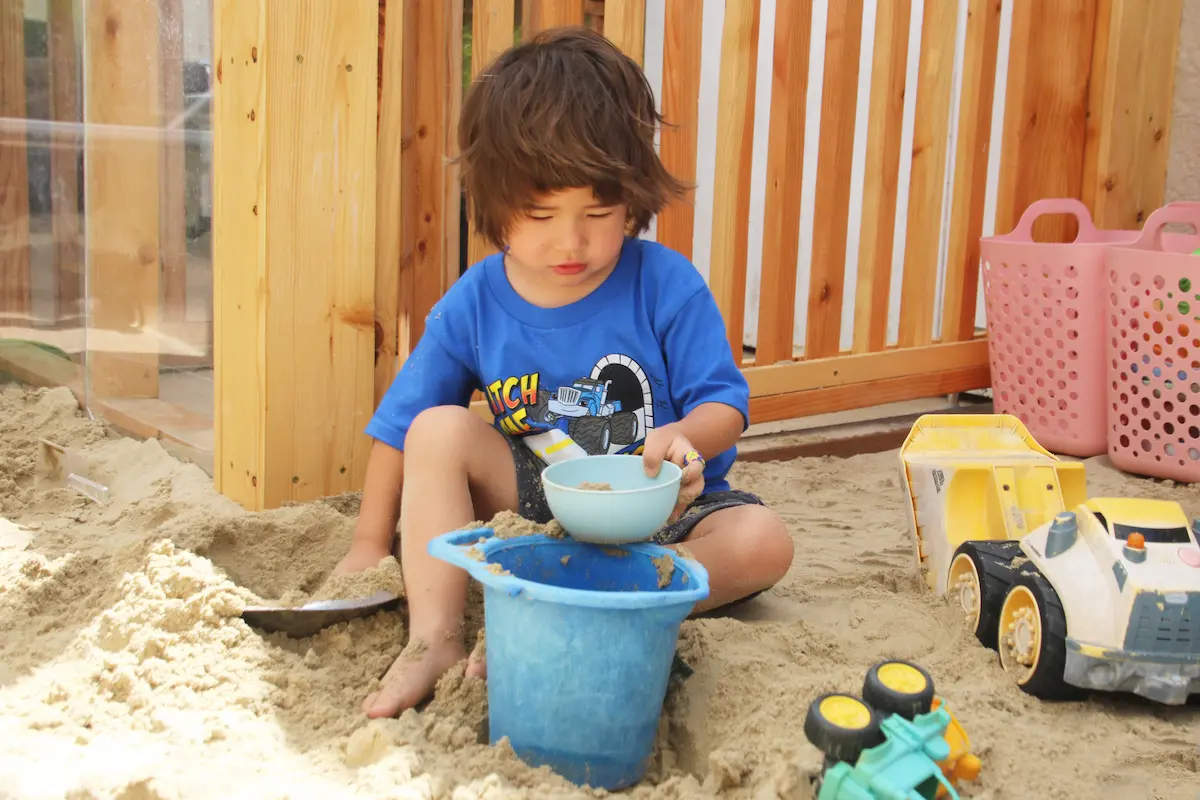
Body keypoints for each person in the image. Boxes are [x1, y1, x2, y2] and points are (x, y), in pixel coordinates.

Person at [334, 25, 795, 719]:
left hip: (662, 512)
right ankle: (436, 638)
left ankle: (604, 601)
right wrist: (369, 544)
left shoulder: (665, 284)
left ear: (634, 199)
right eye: (540, 213)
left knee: (765, 542)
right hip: (536, 509)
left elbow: (724, 402)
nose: (570, 241)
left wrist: (682, 437)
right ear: (493, 203)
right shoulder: (477, 301)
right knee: (438, 428)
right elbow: (403, 426)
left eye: (598, 212)